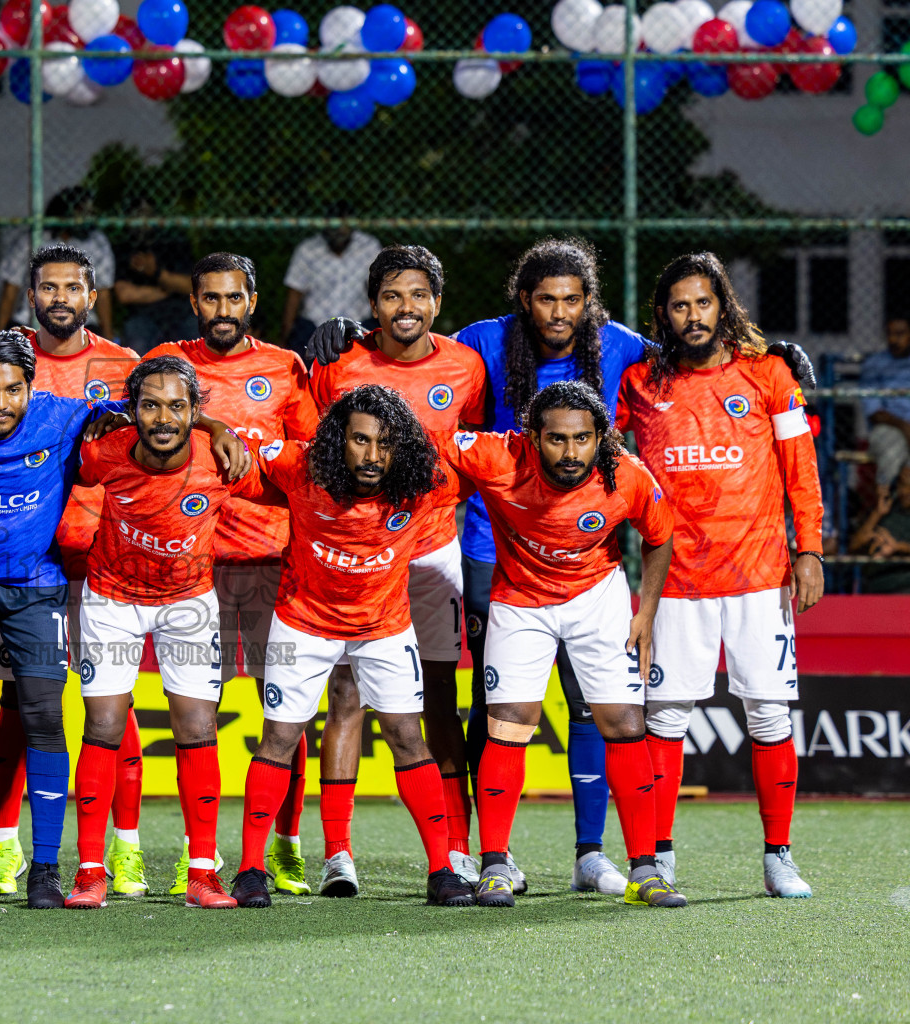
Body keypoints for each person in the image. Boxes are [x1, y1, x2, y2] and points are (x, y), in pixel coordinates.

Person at [0, 331, 245, 910]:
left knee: (42, 715)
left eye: (13, 390)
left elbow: (155, 414)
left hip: (35, 586)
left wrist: (217, 429)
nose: (0, 403)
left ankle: (44, 870)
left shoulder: (64, 416)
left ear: (31, 388)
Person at [311, 236, 649, 898]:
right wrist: (351, 331)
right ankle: (476, 852)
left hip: (570, 557)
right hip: (484, 549)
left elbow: (689, 356)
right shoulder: (480, 345)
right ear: (525, 299)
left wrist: (768, 353)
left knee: (586, 701)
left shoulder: (618, 343)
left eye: (571, 300)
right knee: (486, 703)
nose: (558, 312)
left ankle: (590, 852)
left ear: (588, 303)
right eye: (545, 299)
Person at [617, 253, 824, 897]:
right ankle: (657, 855)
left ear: (722, 304)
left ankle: (778, 856)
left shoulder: (768, 373)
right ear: (664, 316)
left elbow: (801, 468)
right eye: (679, 306)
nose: (693, 316)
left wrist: (809, 549)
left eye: (703, 303)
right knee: (667, 716)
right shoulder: (638, 384)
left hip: (760, 577)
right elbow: (601, 456)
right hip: (675, 580)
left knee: (768, 713)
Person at [436, 380, 686, 909]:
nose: (570, 453)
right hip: (519, 601)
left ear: (601, 437)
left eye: (582, 439)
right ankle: (496, 866)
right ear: (532, 436)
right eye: (556, 439)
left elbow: (660, 537)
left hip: (598, 597)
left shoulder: (628, 475)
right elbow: (428, 437)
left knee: (624, 724)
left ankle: (644, 869)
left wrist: (646, 612)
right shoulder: (496, 454)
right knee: (509, 724)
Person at [229, 385, 476, 911]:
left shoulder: (427, 481)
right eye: (360, 441)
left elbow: (503, 463)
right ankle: (250, 869)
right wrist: (207, 427)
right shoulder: (300, 467)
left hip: (385, 627)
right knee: (279, 736)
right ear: (338, 441)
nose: (371, 455)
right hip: (303, 623)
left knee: (409, 737)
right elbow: (237, 449)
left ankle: (442, 869)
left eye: (385, 443)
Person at [307, 244, 487, 894]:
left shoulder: (467, 366)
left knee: (438, 700)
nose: (405, 308)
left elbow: (483, 452)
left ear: (437, 302)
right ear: (372, 304)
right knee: (347, 695)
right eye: (391, 296)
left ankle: (457, 850)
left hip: (433, 551)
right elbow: (312, 448)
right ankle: (338, 854)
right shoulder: (341, 364)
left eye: (417, 295)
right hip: (355, 554)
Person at [145, 252, 321, 896]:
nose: (223, 310)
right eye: (210, 299)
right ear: (194, 303)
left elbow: (307, 454)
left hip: (278, 562)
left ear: (253, 301)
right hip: (195, 567)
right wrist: (212, 421)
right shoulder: (168, 362)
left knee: (289, 711)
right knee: (198, 713)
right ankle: (202, 855)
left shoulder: (282, 366)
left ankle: (287, 844)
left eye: (234, 298)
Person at [65, 357, 263, 911]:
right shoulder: (105, 453)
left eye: (177, 406)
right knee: (103, 721)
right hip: (111, 597)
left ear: (195, 411)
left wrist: (222, 431)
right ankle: (89, 871)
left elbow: (284, 484)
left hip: (188, 601)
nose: (163, 417)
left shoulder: (221, 460)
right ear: (133, 410)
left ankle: (203, 872)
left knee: (198, 723)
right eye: (150, 404)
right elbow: (73, 468)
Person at [0, 244, 141, 897]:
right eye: (47, 287)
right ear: (31, 294)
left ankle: (124, 849)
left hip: (107, 558)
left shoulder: (124, 367)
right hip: (30, 560)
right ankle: (1, 847)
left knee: (114, 702)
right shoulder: (4, 358)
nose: (59, 298)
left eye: (72, 287)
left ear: (92, 295)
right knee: (19, 700)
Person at [0, 187, 115, 337]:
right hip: (30, 319)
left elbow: (103, 293)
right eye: (81, 210)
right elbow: (10, 289)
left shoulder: (96, 242)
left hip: (82, 322)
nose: (86, 216)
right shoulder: (31, 240)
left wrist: (109, 336)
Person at [280, 204, 382, 360]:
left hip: (359, 324)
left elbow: (378, 290)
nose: (339, 232)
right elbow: (294, 294)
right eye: (334, 228)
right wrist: (285, 336)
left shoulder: (368, 246)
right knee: (303, 364)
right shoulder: (308, 249)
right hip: (314, 325)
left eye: (343, 228)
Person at [111, 197, 195, 355]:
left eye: (147, 214)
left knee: (197, 340)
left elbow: (192, 286)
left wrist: (155, 273)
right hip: (144, 317)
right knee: (137, 340)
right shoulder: (124, 247)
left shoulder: (174, 242)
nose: (143, 221)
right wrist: (169, 288)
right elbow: (125, 294)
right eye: (137, 215)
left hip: (181, 313)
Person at [861, 316, 910, 497]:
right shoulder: (875, 365)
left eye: (900, 334)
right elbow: (874, 412)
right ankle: (884, 506)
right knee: (892, 451)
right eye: (890, 334)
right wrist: (904, 427)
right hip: (889, 427)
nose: (894, 340)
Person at [850, 465, 910, 591]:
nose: (904, 491)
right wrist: (877, 513)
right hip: (878, 582)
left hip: (904, 580)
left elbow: (895, 546)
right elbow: (854, 545)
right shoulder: (886, 511)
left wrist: (897, 547)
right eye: (902, 485)